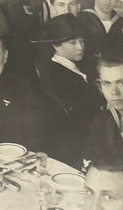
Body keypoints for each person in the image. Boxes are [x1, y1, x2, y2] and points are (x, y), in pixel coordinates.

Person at [36, 14, 105, 162]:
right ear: (56, 45)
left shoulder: (61, 66)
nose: (80, 47)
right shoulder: (58, 76)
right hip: (77, 142)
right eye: (73, 43)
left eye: (82, 41)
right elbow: (89, 109)